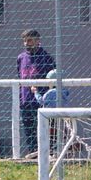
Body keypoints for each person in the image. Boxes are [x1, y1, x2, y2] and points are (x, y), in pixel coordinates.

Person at [16, 28, 56, 159]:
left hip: (40, 100)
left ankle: (47, 151)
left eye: (30, 40)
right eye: (25, 41)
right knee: (29, 127)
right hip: (26, 98)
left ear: (38, 41)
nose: (27, 43)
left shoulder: (46, 57)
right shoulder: (21, 58)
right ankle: (33, 152)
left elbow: (52, 79)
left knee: (44, 127)